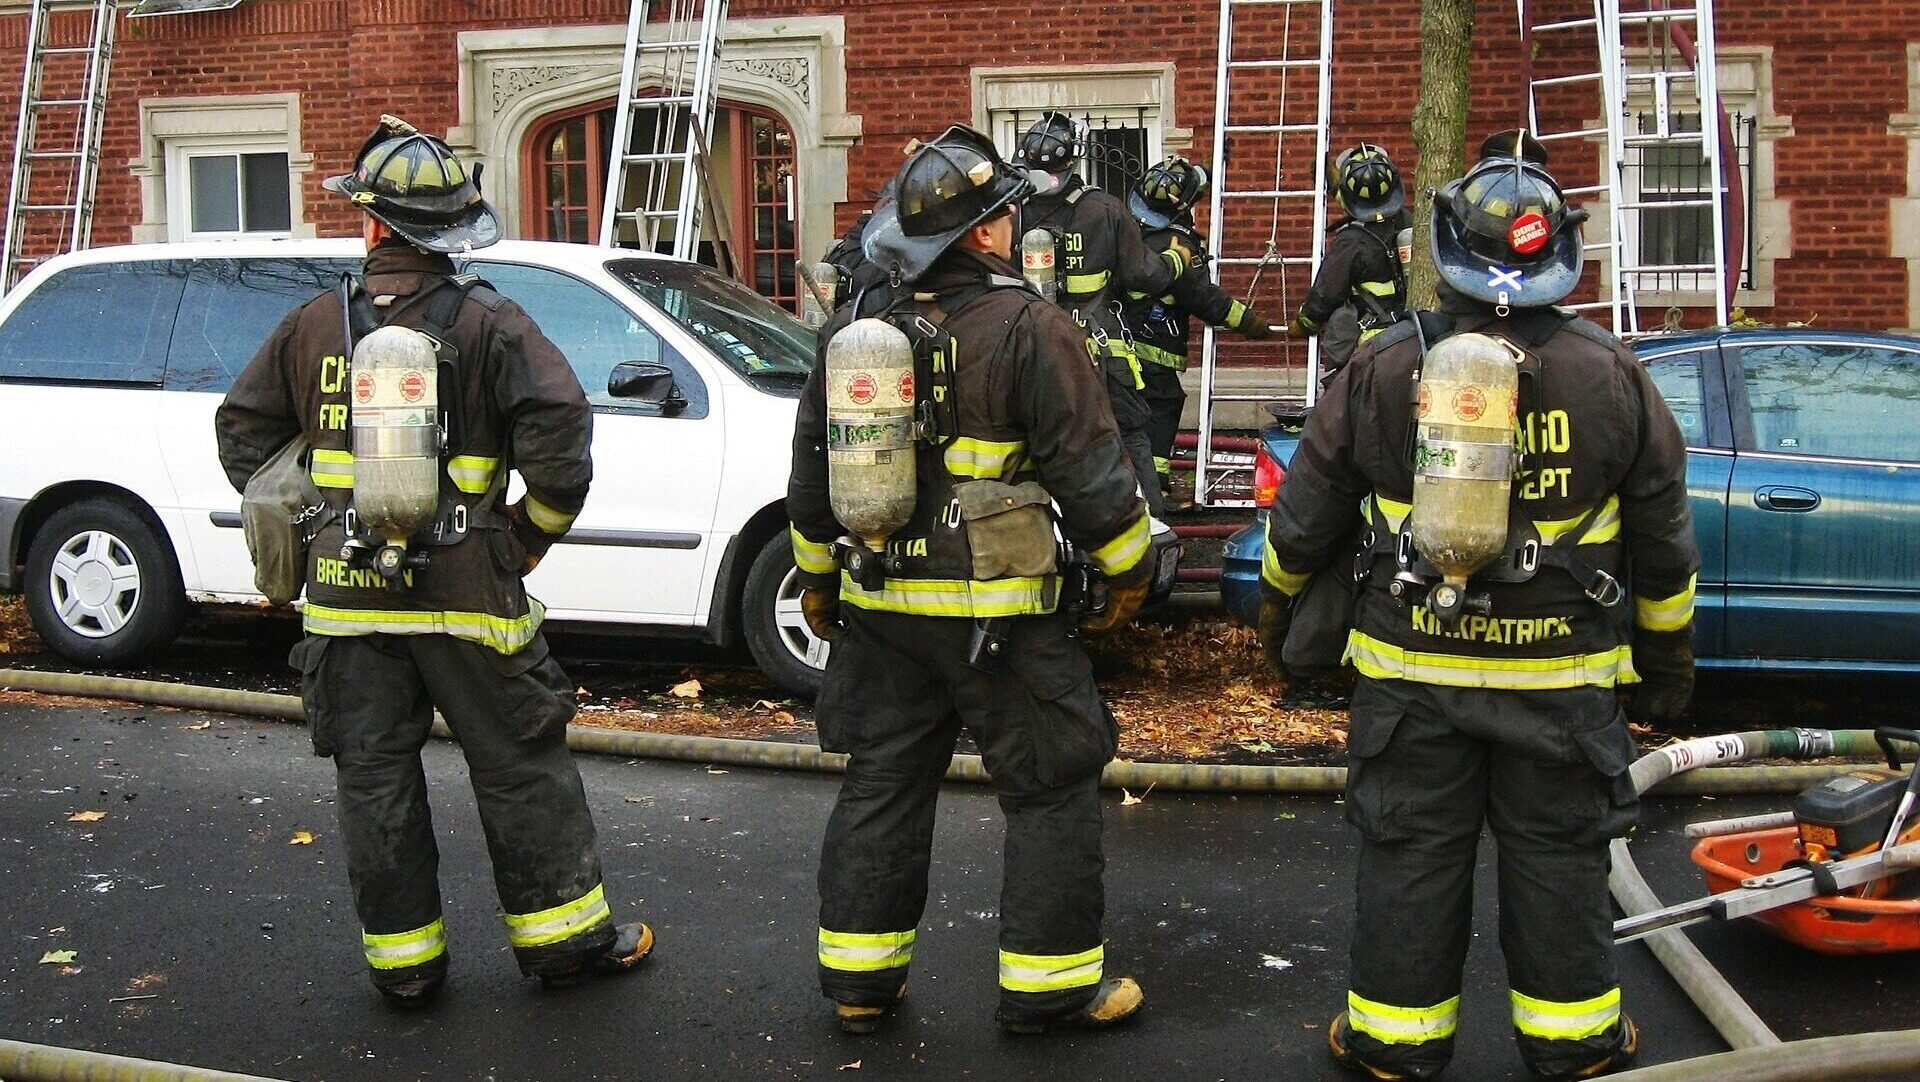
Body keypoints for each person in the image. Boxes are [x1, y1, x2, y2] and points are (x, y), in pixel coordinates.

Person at [1258, 130, 1698, 1080]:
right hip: (1562, 681)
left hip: (1411, 672)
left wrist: (1281, 625)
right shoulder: (1614, 376)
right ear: (1559, 254)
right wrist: (1666, 670)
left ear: (1449, 250)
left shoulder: (1379, 368)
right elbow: (1666, 551)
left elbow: (1300, 527)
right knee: (1560, 855)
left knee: (1411, 851)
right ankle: (1574, 1042)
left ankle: (1392, 1046)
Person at [215, 115, 652, 1005]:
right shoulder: (492, 323)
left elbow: (243, 433)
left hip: (344, 601)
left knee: (374, 782)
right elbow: (562, 428)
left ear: (373, 227)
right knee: (521, 767)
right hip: (467, 596)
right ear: (451, 234)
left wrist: (317, 522)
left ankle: (405, 970)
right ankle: (565, 947)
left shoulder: (311, 327)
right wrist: (528, 534)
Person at [790, 125, 1155, 1036]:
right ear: (987, 235)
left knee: (882, 783)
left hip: (881, 608)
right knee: (1049, 786)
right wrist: (1130, 574)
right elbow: (1095, 475)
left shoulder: (854, 337)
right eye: (1004, 214)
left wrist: (819, 581)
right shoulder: (1031, 327)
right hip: (1003, 619)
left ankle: (860, 987)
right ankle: (1050, 990)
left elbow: (809, 479)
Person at [1015, 111, 1195, 518]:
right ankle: (1153, 534)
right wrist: (1177, 260)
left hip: (1034, 351)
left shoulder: (1013, 214)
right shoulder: (1105, 209)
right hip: (1100, 348)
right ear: (1073, 160)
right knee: (1131, 436)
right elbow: (1144, 274)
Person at [1122, 155, 1274, 507]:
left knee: (1133, 415)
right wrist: (1246, 321)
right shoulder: (1178, 247)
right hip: (1152, 347)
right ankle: (1154, 490)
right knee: (1161, 409)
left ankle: (1144, 487)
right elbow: (1201, 296)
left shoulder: (1129, 230)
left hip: (1121, 342)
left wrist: (1210, 166)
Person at [1286, 143, 1414, 384]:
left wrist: (1303, 324)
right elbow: (1366, 202)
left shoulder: (1352, 242)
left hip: (1369, 351)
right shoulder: (1408, 222)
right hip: (1409, 337)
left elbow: (1326, 295)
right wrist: (1331, 181)